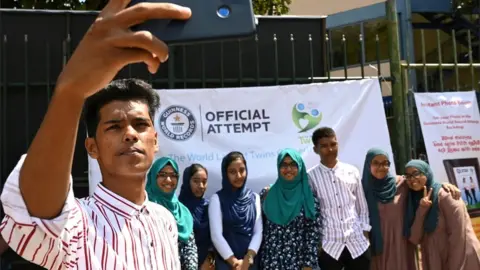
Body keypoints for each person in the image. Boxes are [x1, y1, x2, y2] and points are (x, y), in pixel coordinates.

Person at [0, 1, 192, 268]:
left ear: (155, 141)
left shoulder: (165, 219)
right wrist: (70, 93)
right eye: (114, 126)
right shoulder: (76, 223)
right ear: (92, 148)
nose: (129, 134)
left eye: (140, 125)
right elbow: (33, 214)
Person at [362, 148, 461, 270]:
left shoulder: (401, 183)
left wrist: (444, 185)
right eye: (375, 163)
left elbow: (422, 182)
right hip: (379, 246)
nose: (381, 167)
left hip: (403, 244)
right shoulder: (362, 189)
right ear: (368, 164)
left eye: (385, 163)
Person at [307, 127, 371, 270]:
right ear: (315, 149)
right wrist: (319, 244)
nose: (330, 149)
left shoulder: (352, 171)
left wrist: (364, 233)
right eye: (324, 146)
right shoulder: (310, 177)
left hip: (357, 243)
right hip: (329, 245)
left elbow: (362, 206)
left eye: (333, 144)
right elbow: (312, 212)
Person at [404, 160, 480, 270]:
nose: (412, 179)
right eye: (408, 176)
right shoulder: (415, 200)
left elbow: (459, 237)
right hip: (436, 258)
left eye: (416, 173)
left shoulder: (447, 195)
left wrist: (455, 266)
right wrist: (422, 209)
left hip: (461, 257)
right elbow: (414, 238)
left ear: (427, 173)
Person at [259, 148, 321, 270]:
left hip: (300, 263)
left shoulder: (309, 198)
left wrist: (308, 264)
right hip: (271, 262)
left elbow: (312, 235)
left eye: (293, 165)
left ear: (300, 167)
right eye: (284, 165)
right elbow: (259, 229)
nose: (288, 169)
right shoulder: (267, 195)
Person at [208, 151, 262, 270]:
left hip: (251, 263)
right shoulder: (217, 199)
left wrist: (248, 258)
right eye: (232, 172)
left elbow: (258, 232)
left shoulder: (254, 197)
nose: (238, 176)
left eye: (242, 170)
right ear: (225, 173)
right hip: (226, 263)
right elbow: (216, 236)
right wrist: (234, 262)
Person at [147, 157, 198, 269]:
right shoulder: (143, 208)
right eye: (162, 174)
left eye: (173, 175)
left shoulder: (182, 212)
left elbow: (190, 250)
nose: (169, 180)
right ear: (153, 177)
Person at [179, 164, 215, 270]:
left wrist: (209, 259)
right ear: (187, 181)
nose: (201, 186)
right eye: (196, 181)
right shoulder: (178, 208)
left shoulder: (209, 207)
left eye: (204, 181)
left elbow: (215, 237)